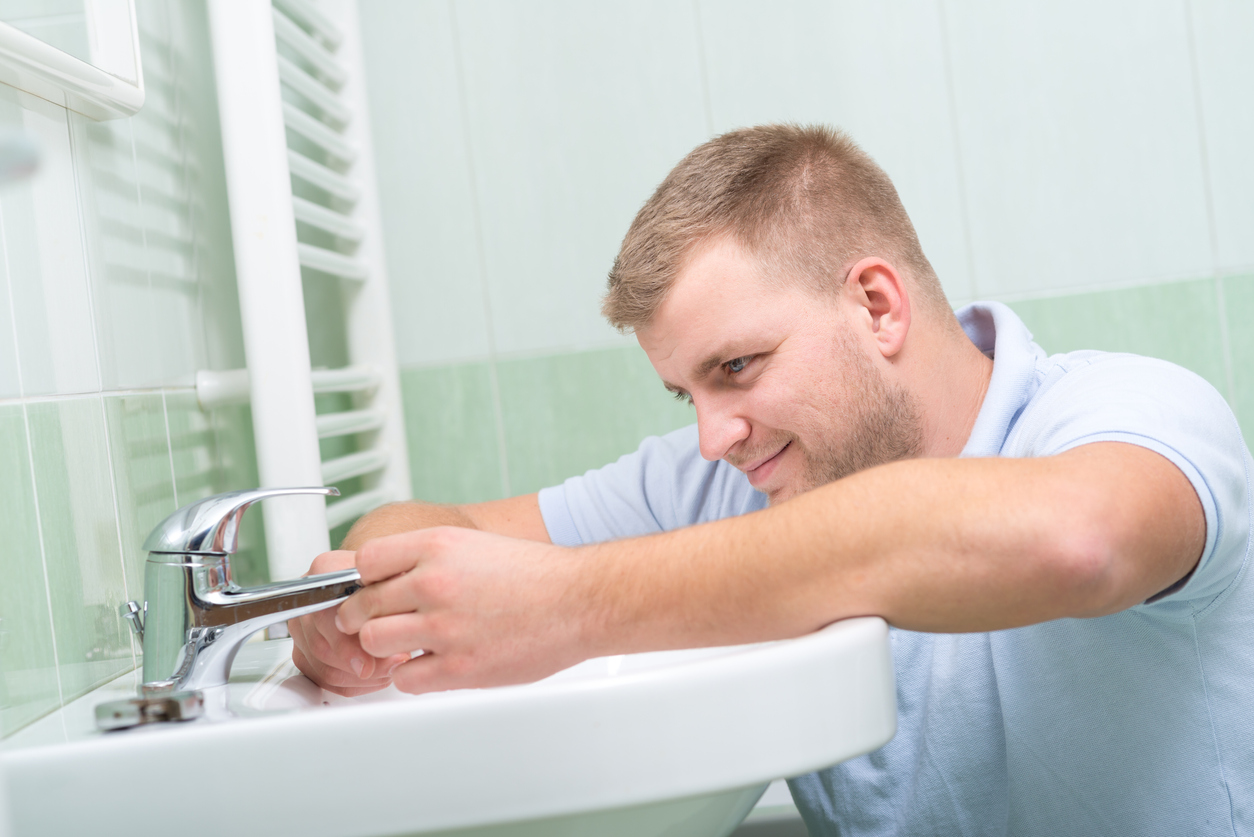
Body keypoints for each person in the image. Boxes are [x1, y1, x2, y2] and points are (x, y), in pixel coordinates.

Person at [289, 125, 1252, 835]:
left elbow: (1074, 543)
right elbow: (440, 525)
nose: (713, 436)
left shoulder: (1132, 412)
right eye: (687, 394)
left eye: (737, 368)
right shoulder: (736, 481)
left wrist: (575, 603)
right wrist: (359, 598)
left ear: (876, 305)